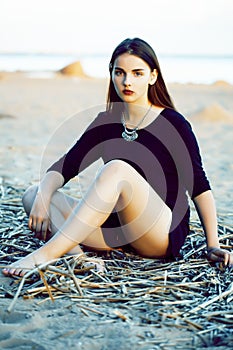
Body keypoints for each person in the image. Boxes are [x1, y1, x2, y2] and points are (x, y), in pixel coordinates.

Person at [2, 37, 232, 277]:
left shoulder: (174, 124)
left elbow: (199, 186)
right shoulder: (106, 122)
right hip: (115, 231)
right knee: (32, 194)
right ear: (111, 73)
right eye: (120, 72)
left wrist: (212, 244)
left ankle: (45, 255)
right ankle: (78, 258)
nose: (127, 81)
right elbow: (65, 166)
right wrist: (43, 194)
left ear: (153, 76)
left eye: (137, 73)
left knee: (117, 169)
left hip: (158, 232)